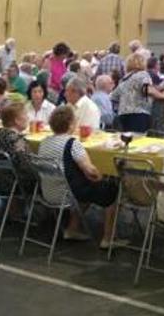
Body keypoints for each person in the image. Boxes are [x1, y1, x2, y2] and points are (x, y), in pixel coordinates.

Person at [40, 105, 118, 245]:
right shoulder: (72, 143)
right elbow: (91, 171)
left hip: (48, 193)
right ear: (71, 124)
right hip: (67, 194)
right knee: (112, 190)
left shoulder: (44, 142)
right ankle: (108, 239)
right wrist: (103, 177)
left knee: (82, 186)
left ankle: (72, 228)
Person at [110, 54, 155, 132]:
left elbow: (114, 96)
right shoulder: (143, 74)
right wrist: (160, 95)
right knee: (138, 140)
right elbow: (146, 90)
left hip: (123, 114)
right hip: (140, 113)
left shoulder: (124, 79)